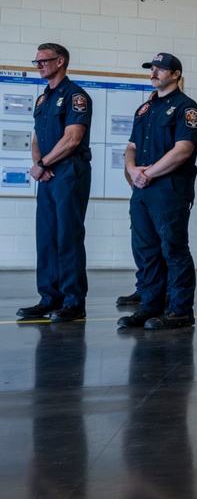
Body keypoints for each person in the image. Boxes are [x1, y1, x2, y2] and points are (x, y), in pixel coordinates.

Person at [118, 53, 197, 330]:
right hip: (143, 188)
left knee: (173, 249)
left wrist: (146, 173)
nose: (154, 72)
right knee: (146, 250)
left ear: (176, 74)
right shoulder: (145, 108)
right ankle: (150, 306)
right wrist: (133, 170)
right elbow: (131, 146)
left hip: (168, 188)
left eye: (161, 69)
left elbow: (183, 150)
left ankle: (180, 310)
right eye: (152, 68)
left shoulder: (187, 109)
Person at [18, 44, 93, 322]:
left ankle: (74, 302)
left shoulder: (76, 96)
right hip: (48, 172)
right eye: (36, 61)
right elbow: (37, 137)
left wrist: (44, 164)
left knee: (68, 237)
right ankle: (50, 298)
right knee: (47, 236)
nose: (38, 65)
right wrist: (40, 164)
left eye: (43, 61)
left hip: (69, 172)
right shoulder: (42, 99)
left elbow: (73, 138)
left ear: (60, 61)